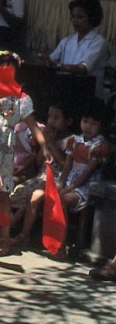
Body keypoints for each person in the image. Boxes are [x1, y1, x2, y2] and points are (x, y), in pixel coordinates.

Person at [0, 51, 52, 256]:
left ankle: (4, 239)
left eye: (9, 69)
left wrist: (45, 147)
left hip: (4, 151)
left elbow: (33, 126)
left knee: (3, 195)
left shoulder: (21, 99)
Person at [10, 102, 74, 247]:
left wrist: (50, 143)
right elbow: (40, 162)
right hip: (40, 176)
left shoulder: (71, 140)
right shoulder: (49, 137)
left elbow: (65, 165)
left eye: (56, 118)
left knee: (35, 196)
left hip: (57, 180)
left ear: (68, 121)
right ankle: (1, 227)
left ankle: (21, 233)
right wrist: (42, 145)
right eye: (50, 117)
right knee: (17, 192)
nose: (51, 121)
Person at [55, 98, 110, 257]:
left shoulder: (100, 147)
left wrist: (69, 189)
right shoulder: (75, 141)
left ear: (100, 125)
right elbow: (67, 165)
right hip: (71, 181)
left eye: (93, 123)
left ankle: (62, 243)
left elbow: (87, 173)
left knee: (62, 200)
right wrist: (61, 183)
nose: (88, 126)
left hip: (86, 185)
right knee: (52, 195)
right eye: (85, 121)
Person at [39, 0, 109, 99]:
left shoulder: (99, 42)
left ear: (92, 18)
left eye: (80, 17)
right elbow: (51, 59)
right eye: (72, 17)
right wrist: (45, 60)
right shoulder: (66, 41)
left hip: (89, 97)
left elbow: (84, 68)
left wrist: (58, 66)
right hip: (66, 92)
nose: (75, 21)